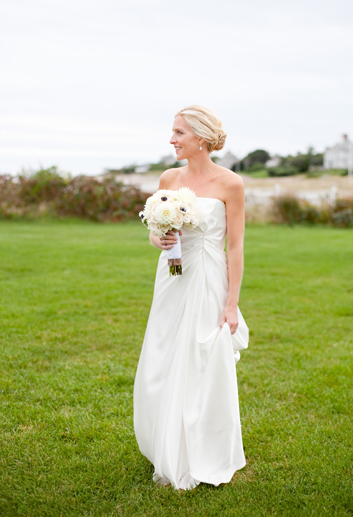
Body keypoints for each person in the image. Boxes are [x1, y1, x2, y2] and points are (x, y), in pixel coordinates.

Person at [133, 105, 249, 490]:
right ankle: (164, 443)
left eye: (179, 133)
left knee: (201, 358)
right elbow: (155, 231)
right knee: (165, 355)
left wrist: (231, 303)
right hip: (172, 276)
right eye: (172, 132)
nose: (172, 139)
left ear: (200, 137)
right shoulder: (169, 177)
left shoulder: (230, 183)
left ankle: (201, 449)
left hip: (208, 278)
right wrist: (158, 238)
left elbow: (234, 247)